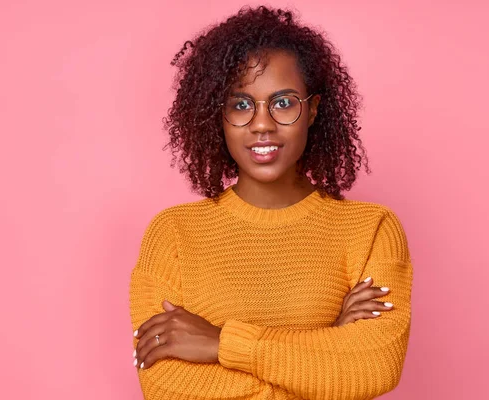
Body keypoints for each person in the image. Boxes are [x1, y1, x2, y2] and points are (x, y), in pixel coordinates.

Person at [129, 5, 413, 400]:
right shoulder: (174, 234)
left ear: (311, 110)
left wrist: (220, 344)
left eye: (283, 103)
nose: (262, 124)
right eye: (241, 105)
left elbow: (374, 366)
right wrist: (327, 347)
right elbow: (166, 389)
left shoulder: (371, 229)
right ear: (219, 115)